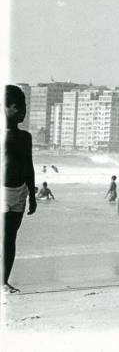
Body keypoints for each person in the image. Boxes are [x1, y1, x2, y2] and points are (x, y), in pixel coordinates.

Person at [3, 85, 37, 293]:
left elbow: (29, 166)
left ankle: (3, 281)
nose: (22, 111)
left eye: (24, 106)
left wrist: (32, 195)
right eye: (17, 107)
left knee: (10, 239)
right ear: (4, 108)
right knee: (4, 237)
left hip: (20, 193)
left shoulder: (25, 137)